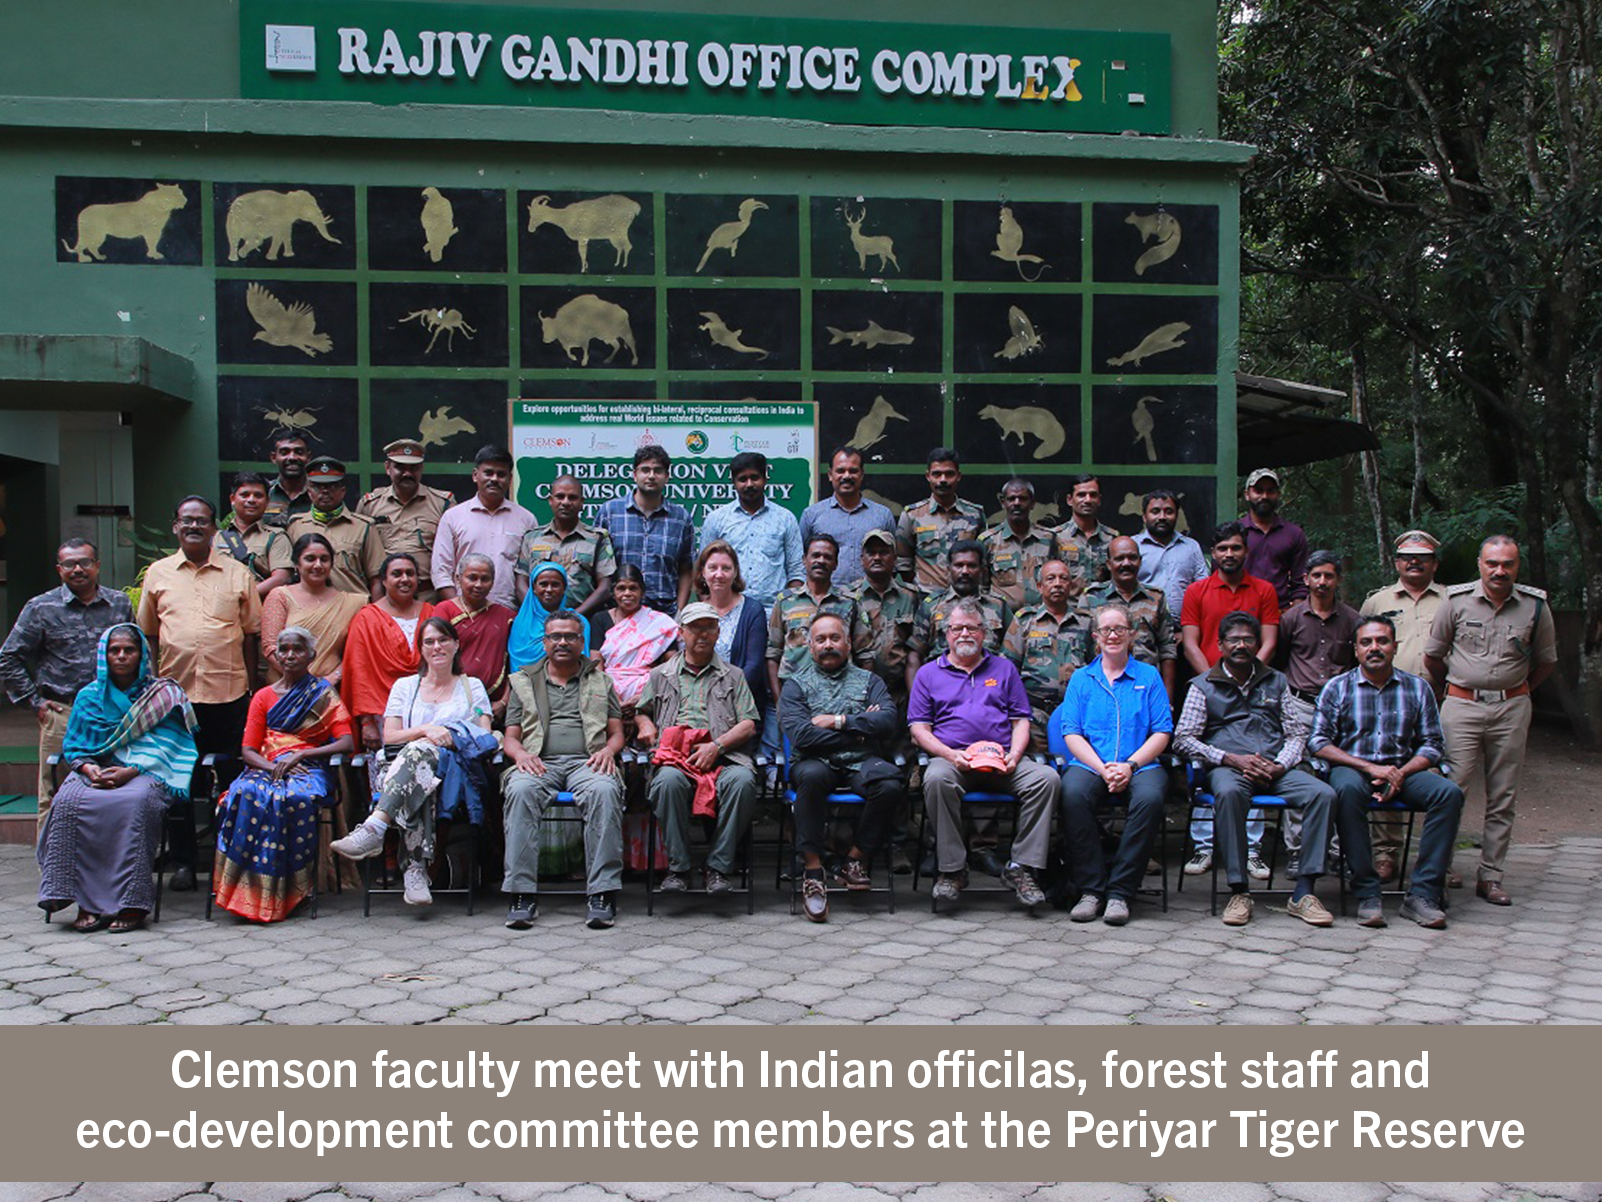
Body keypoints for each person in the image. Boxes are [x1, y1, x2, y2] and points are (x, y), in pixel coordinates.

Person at [1172, 611, 1338, 927]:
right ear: (1220, 645)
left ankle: (1304, 892)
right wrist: (1228, 758)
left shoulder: (1276, 680)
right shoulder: (1202, 685)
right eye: (1233, 639)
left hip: (1276, 768)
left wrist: (1280, 765)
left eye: (1248, 639)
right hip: (1229, 767)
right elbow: (1183, 739)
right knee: (1230, 792)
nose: (1241, 645)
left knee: (1323, 794)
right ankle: (1239, 890)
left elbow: (1296, 733)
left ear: (1258, 644)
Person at [37, 625, 197, 933]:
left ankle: (131, 902)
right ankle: (84, 901)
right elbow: (75, 745)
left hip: (146, 771)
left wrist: (131, 770)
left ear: (142, 655)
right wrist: (88, 769)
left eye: (129, 650)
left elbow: (173, 744)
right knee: (68, 802)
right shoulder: (88, 697)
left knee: (134, 802)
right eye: (114, 650)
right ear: (104, 655)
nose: (121, 656)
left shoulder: (164, 695)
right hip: (95, 769)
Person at [1424, 535, 1557, 907]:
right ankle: (1440, 869)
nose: (1500, 571)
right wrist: (1453, 691)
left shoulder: (1534, 607)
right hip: (1461, 706)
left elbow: (1546, 660)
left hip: (1512, 708)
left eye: (1507, 564)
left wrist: (1518, 691)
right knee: (1450, 788)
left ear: (1517, 566)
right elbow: (1433, 656)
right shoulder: (1455, 601)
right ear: (1480, 565)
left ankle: (1491, 876)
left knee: (1503, 794)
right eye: (1492, 563)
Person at [137, 495, 261, 890]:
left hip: (229, 695)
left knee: (232, 781)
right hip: (176, 699)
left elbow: (250, 635)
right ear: (175, 525)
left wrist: (252, 690)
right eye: (187, 520)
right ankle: (185, 863)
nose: (194, 527)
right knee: (179, 784)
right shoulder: (158, 574)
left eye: (202, 521)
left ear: (214, 528)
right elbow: (150, 636)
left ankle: (232, 859)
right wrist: (154, 689)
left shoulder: (238, 573)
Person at [1312, 615, 1464, 929]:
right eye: (1366, 642)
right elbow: (1318, 742)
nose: (1374, 648)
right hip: (1354, 769)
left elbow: (1433, 743)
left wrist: (1401, 772)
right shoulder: (1337, 688)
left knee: (1448, 794)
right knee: (1347, 790)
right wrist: (1368, 767)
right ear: (1355, 650)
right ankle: (1367, 892)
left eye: (1382, 641)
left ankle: (1423, 895)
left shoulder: (1417, 688)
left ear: (1395, 647)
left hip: (1403, 770)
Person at [332, 616, 495, 906]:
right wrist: (425, 730)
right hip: (401, 771)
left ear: (456, 644)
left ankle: (375, 828)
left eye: (443, 640)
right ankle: (416, 871)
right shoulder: (405, 687)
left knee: (423, 761)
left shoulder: (473, 686)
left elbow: (484, 736)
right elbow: (391, 737)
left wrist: (448, 735)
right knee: (420, 767)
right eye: (429, 642)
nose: (437, 647)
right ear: (420, 649)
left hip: (453, 773)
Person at [909, 597, 1059, 908]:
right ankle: (952, 870)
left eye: (972, 628)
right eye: (957, 628)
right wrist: (950, 755)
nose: (964, 634)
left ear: (984, 632)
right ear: (946, 634)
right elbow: (919, 731)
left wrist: (1015, 756)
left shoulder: (1004, 669)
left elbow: (1021, 721)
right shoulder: (927, 674)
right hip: (954, 760)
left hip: (1002, 759)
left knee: (1046, 779)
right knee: (936, 779)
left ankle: (1021, 868)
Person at [212, 626, 354, 923]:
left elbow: (346, 742)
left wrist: (302, 754)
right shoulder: (263, 696)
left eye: (297, 649)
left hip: (309, 769)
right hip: (266, 767)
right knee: (246, 793)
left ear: (311, 655)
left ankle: (294, 891)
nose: (290, 656)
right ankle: (245, 893)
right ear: (276, 654)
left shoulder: (322, 694)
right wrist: (274, 766)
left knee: (295, 797)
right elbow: (249, 751)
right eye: (284, 649)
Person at [501, 609, 628, 931]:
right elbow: (510, 737)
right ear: (544, 642)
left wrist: (608, 751)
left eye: (570, 636)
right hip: (539, 761)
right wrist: (520, 756)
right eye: (555, 636)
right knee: (519, 790)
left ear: (581, 641)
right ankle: (522, 894)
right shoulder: (524, 681)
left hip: (588, 761)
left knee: (604, 790)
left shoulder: (600, 679)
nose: (562, 642)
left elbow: (616, 733)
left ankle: (601, 893)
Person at [0, 538, 132, 838]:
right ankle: (50, 867)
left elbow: (133, 652)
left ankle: (101, 860)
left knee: (111, 787)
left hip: (111, 714)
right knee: (53, 792)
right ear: (59, 570)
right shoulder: (41, 608)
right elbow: (8, 657)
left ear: (97, 566)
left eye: (85, 562)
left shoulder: (119, 604)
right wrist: (34, 703)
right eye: (70, 564)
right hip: (62, 713)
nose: (78, 569)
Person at [1051, 602, 1173, 926]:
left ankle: (1120, 892)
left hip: (1141, 765)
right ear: (1096, 636)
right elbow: (1071, 732)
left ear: (1131, 635)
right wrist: (1104, 768)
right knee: (1072, 795)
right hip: (1092, 763)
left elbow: (1162, 731)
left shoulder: (1149, 676)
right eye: (1107, 629)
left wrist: (1129, 766)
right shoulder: (1081, 678)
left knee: (1150, 798)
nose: (1114, 635)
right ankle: (1091, 890)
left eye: (1120, 628)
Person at [780, 613, 904, 922]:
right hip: (814, 762)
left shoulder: (869, 681)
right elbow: (802, 735)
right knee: (810, 777)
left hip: (861, 763)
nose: (828, 645)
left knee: (889, 786)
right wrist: (861, 732)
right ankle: (812, 871)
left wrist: (838, 721)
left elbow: (888, 720)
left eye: (835, 638)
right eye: (820, 639)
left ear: (848, 644)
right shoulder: (795, 685)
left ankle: (854, 860)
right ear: (810, 647)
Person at [635, 602, 761, 895]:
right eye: (695, 628)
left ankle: (717, 867)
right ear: (681, 633)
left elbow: (748, 724)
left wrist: (716, 747)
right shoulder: (661, 674)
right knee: (666, 783)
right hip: (675, 758)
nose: (702, 634)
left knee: (742, 782)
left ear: (718, 633)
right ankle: (678, 868)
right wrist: (645, 724)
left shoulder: (734, 675)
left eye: (709, 627)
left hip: (725, 757)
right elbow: (642, 710)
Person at [1179, 521, 1280, 880]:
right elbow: (1189, 640)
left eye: (1236, 548)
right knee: (1207, 763)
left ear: (1245, 552)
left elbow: (1267, 640)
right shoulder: (1198, 590)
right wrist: (1214, 681)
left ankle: (1252, 849)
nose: (1229, 554)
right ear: (1213, 553)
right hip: (1209, 688)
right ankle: (1204, 844)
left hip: (1254, 687)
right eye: (1222, 549)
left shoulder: (1264, 590)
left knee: (1254, 758)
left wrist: (1249, 679)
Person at [1361, 528, 1448, 884]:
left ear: (1435, 564)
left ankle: (1439, 858)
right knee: (1386, 770)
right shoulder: (1378, 602)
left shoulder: (1451, 600)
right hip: (1386, 698)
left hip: (1440, 699)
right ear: (1396, 562)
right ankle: (1386, 854)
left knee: (1441, 778)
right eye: (1408, 557)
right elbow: (1362, 647)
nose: (1415, 563)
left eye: (1423, 558)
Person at [340, 553, 434, 758]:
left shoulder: (431, 613)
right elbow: (359, 672)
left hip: (427, 710)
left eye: (410, 573)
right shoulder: (366, 618)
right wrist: (366, 722)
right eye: (397, 574)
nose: (405, 579)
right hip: (380, 712)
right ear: (384, 580)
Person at [767, 535, 864, 715]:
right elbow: (773, 654)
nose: (821, 561)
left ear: (835, 564)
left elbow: (865, 654)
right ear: (805, 560)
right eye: (816, 555)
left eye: (827, 557)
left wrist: (860, 696)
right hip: (794, 696)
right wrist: (779, 701)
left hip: (840, 697)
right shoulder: (785, 601)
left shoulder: (849, 602)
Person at [431, 444, 535, 609]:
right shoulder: (453, 517)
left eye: (501, 474)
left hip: (510, 614)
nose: (494, 479)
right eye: (488, 473)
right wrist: (459, 609)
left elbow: (530, 574)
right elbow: (441, 571)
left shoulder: (526, 519)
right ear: (475, 475)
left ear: (510, 478)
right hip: (463, 613)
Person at [596, 444, 695, 615]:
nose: (651, 476)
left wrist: (680, 611)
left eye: (658, 471)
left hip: (665, 615)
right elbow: (597, 565)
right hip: (618, 614)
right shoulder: (609, 512)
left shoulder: (681, 518)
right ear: (635, 475)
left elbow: (686, 569)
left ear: (667, 477)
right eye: (645, 470)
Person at [697, 451, 803, 611]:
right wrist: (714, 613)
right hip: (729, 612)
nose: (749, 484)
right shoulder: (716, 519)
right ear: (733, 482)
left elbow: (796, 572)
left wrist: (790, 613)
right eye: (742, 479)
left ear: (765, 478)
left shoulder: (785, 519)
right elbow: (703, 572)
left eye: (755, 477)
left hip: (773, 613)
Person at [1001, 559, 1089, 748]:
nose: (1057, 583)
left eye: (1063, 578)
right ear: (1040, 587)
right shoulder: (1025, 620)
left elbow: (1097, 667)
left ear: (1071, 585)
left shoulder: (1086, 622)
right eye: (1051, 579)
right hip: (1033, 713)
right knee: (1037, 767)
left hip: (1076, 713)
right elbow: (1007, 669)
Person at [260, 533, 366, 689]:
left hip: (331, 690)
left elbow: (357, 651)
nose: (318, 565)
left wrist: (332, 679)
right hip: (285, 689)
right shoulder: (280, 596)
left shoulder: (353, 603)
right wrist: (305, 681)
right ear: (297, 563)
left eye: (324, 559)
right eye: (310, 559)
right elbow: (270, 648)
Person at [1078, 535, 1178, 698]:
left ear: (1140, 561)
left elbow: (1167, 650)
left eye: (1132, 558)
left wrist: (1167, 699)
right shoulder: (1091, 598)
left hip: (1146, 690)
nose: (1126, 563)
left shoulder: (1156, 597)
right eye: (1119, 559)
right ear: (1109, 564)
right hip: (1103, 689)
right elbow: (1081, 649)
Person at [357, 438, 455, 604]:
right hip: (384, 597)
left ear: (421, 469)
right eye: (400, 467)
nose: (407, 473)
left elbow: (453, 555)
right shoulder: (370, 505)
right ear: (388, 468)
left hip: (428, 596)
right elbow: (361, 554)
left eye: (414, 468)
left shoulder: (442, 503)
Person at [514, 473, 617, 615]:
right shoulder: (532, 538)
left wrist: (574, 616)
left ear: (582, 502)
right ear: (551, 500)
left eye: (573, 497)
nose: (566, 502)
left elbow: (605, 587)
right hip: (537, 621)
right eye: (560, 496)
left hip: (582, 621)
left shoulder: (597, 538)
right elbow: (521, 583)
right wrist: (538, 613)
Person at [284, 456, 385, 599]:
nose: (325, 491)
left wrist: (376, 616)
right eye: (318, 486)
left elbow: (376, 579)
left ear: (343, 491)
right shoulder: (296, 526)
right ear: (309, 492)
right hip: (309, 609)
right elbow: (288, 574)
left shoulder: (363, 527)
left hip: (354, 609)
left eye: (332, 486)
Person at [799, 444, 896, 588]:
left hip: (871, 600)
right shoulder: (812, 515)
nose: (846, 476)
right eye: (840, 471)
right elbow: (801, 563)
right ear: (830, 475)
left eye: (853, 471)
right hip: (828, 601)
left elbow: (893, 562)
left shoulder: (882, 515)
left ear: (862, 475)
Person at [432, 554, 516, 717]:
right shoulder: (445, 610)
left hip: (494, 702)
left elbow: (515, 664)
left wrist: (504, 702)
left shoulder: (506, 616)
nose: (478, 585)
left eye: (485, 579)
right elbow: (434, 657)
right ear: (458, 578)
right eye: (472, 578)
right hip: (449, 700)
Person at [693, 540, 768, 717]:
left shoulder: (752, 611)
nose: (719, 574)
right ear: (703, 572)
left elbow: (754, 666)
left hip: (741, 708)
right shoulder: (695, 612)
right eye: (713, 568)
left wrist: (723, 698)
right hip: (699, 707)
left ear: (735, 573)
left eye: (726, 568)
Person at [1277, 550, 1360, 707]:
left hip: (1341, 703)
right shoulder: (1291, 618)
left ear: (1339, 580)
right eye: (1316, 575)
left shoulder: (1352, 620)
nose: (1322, 582)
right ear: (1306, 579)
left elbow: (1356, 662)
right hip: (1300, 704)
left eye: (1329, 576)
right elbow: (1280, 660)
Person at [896, 447, 985, 591]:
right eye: (937, 474)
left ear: (958, 476)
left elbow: (982, 561)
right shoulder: (912, 515)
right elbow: (903, 562)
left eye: (949, 474)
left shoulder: (975, 514)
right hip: (927, 601)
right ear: (928, 476)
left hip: (966, 600)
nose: (943, 480)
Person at [593, 563, 679, 709]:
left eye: (633, 588)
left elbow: (671, 666)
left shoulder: (660, 624)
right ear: (613, 592)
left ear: (642, 592)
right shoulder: (600, 619)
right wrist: (612, 698)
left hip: (649, 692)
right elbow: (596, 665)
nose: (627, 593)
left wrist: (645, 696)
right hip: (608, 692)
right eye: (621, 588)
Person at [913, 540, 1013, 664]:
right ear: (949, 569)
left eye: (972, 565)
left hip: (988, 678)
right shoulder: (931, 606)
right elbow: (914, 654)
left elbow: (1012, 654)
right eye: (959, 565)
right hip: (943, 678)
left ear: (981, 570)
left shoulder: (998, 606)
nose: (965, 571)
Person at [980, 477, 1060, 609]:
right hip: (1003, 620)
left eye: (1022, 499)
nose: (1016, 503)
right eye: (1011, 499)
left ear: (1033, 503)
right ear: (1002, 502)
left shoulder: (1048, 538)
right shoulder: (988, 541)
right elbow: (981, 588)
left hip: (1041, 619)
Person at [215, 471, 292, 599]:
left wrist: (242, 597)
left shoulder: (276, 537)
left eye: (258, 495)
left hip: (258, 610)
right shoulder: (217, 538)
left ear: (267, 501)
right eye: (245, 495)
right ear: (233, 499)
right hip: (219, 609)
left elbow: (281, 578)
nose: (251, 500)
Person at [1135, 489, 1208, 625]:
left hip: (1183, 628)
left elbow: (1203, 589)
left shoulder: (1191, 547)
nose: (1162, 517)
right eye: (1155, 511)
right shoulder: (1133, 546)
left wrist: (1189, 629)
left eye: (1169, 511)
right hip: (1141, 627)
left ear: (1176, 515)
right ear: (1144, 517)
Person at [1240, 467, 1309, 607]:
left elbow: (1300, 583)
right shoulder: (1235, 533)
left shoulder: (1294, 534)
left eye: (1270, 491)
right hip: (1240, 613)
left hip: (1280, 613)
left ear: (1278, 494)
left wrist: (1293, 617)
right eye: (1258, 490)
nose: (1264, 496)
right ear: (1247, 494)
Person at [509, 562, 592, 672]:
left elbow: (582, 662)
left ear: (564, 589)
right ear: (533, 588)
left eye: (555, 585)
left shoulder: (579, 622)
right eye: (543, 584)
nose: (549, 589)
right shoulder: (520, 623)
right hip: (525, 686)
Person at [1052, 473, 1120, 592]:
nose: (1087, 500)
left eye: (1093, 495)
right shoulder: (1055, 537)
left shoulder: (1112, 538)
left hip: (1101, 607)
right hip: (1069, 608)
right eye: (1081, 495)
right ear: (1069, 500)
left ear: (1099, 500)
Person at [263, 433, 312, 527]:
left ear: (308, 457)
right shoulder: (263, 493)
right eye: (284, 453)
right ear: (274, 458)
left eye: (299, 452)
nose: (292, 457)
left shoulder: (319, 494)